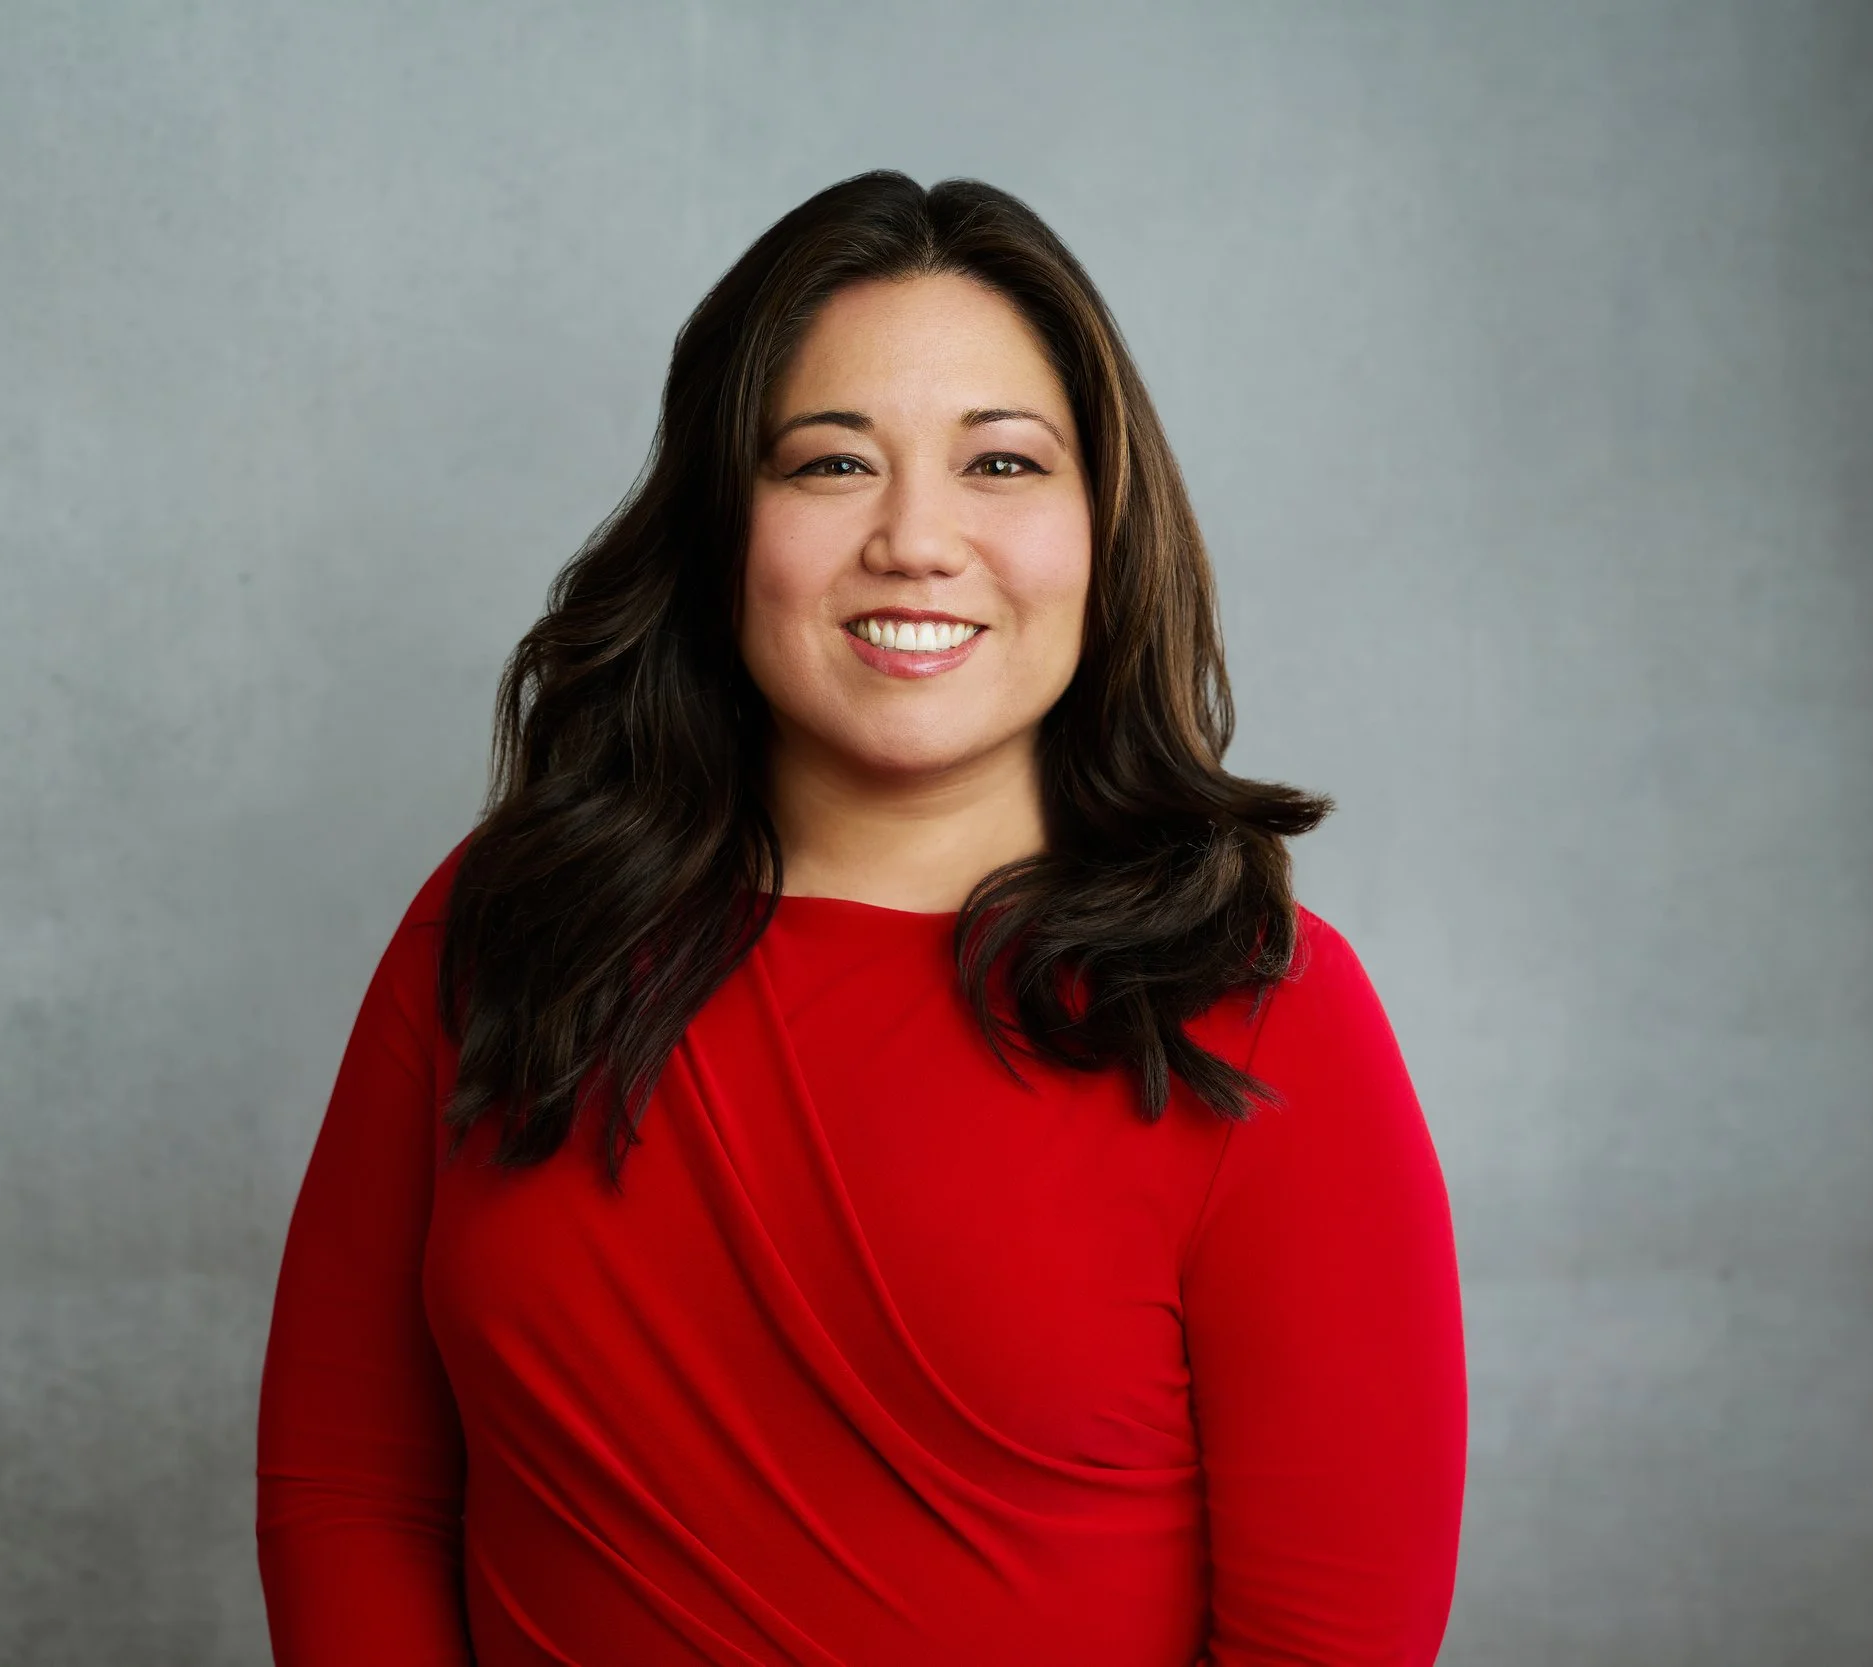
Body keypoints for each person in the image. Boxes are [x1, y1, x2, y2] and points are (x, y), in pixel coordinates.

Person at [255, 170, 1467, 1666]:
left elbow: (1332, 1645)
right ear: (720, 525)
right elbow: (354, 1485)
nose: (916, 538)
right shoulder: (501, 931)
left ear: (1103, 529)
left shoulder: (1261, 1009)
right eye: (831, 464)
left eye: (1003, 466)